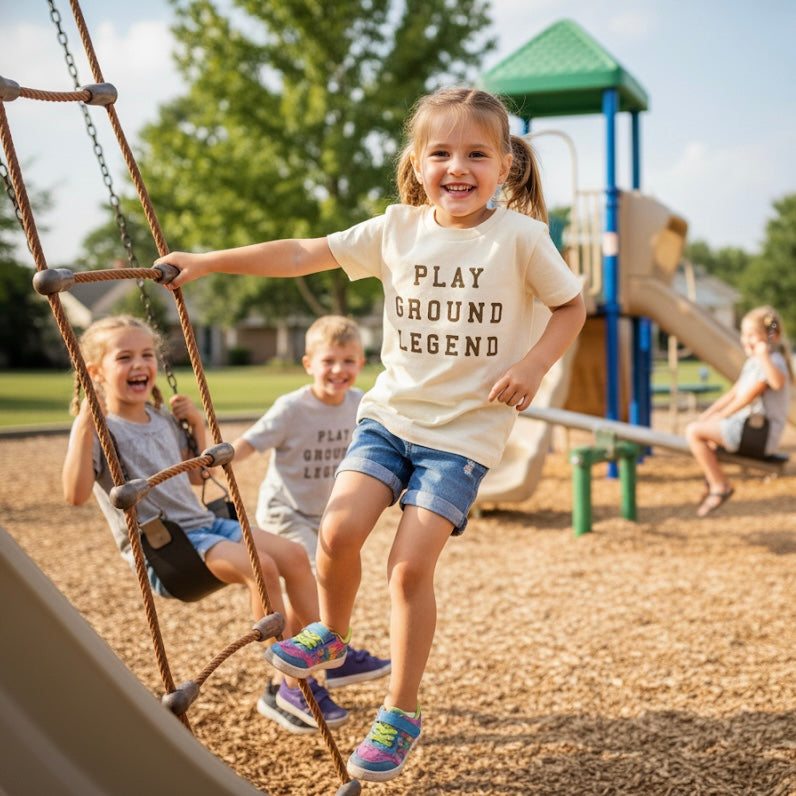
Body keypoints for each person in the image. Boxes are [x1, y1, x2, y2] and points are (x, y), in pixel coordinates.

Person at [156, 86, 586, 782]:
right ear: (416, 164)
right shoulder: (396, 228)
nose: (458, 166)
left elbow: (572, 307)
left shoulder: (522, 239)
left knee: (409, 568)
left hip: (464, 436)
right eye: (440, 152)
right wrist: (208, 260)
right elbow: (301, 253)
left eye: (477, 153)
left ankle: (400, 711)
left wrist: (533, 364)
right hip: (391, 418)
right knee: (335, 532)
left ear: (505, 167)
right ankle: (332, 635)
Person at [61, 314, 348, 734]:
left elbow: (198, 476)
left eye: (147, 354)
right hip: (169, 548)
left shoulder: (160, 419)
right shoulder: (102, 432)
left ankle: (320, 648)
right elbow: (75, 495)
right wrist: (84, 422)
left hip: (205, 525)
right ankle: (289, 685)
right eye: (125, 357)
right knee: (262, 568)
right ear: (95, 372)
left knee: (292, 555)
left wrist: (194, 423)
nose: (140, 364)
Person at [231, 315, 391, 688]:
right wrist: (217, 461)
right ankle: (332, 660)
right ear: (308, 364)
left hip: (325, 515)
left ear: (361, 364)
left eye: (348, 361)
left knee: (311, 594)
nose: (338, 370)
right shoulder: (292, 408)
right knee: (319, 581)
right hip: (285, 511)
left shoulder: (361, 405)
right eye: (328, 361)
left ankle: (298, 670)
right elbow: (251, 442)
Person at [685, 305, 793, 517]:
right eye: (744, 334)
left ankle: (719, 485)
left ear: (771, 338)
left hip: (759, 434)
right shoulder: (753, 363)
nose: (746, 340)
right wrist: (711, 413)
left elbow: (762, 390)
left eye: (753, 335)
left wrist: (721, 416)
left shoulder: (772, 362)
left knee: (693, 432)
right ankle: (711, 482)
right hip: (751, 431)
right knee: (704, 432)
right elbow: (734, 393)